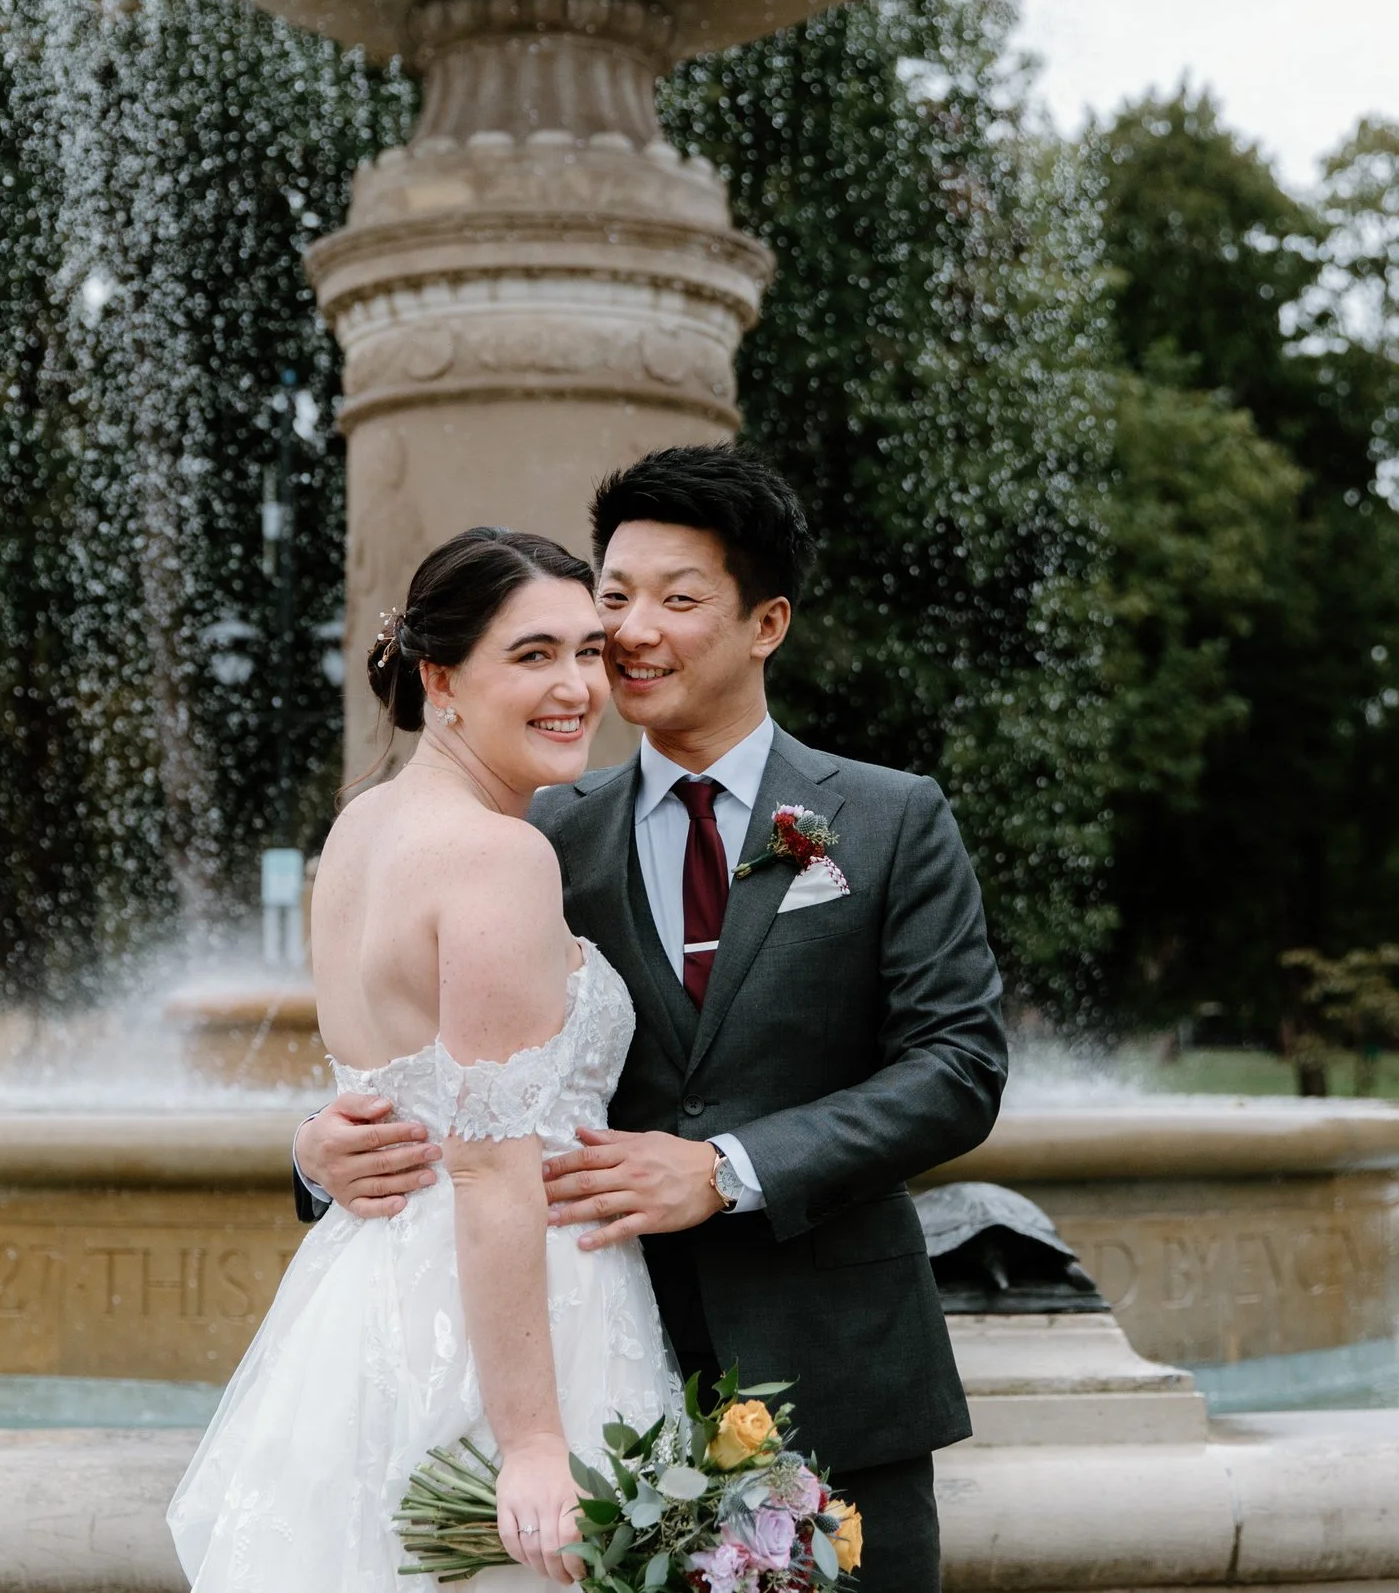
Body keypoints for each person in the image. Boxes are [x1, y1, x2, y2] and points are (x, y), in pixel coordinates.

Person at [297, 445, 1013, 1593]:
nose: (629, 631)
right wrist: (321, 1151)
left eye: (676, 599)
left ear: (765, 622)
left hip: (830, 1368)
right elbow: (442, 1066)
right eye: (612, 597)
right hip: (602, 1374)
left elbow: (958, 1066)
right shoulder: (535, 830)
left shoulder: (884, 820)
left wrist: (727, 1168)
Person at [167, 527, 672, 1590]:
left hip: (364, 1292)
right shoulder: (499, 853)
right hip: (510, 1316)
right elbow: (491, 1166)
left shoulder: (359, 828)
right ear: (441, 677)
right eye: (531, 655)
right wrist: (533, 1441)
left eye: (587, 650)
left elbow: (384, 1080)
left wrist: (317, 1142)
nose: (577, 685)